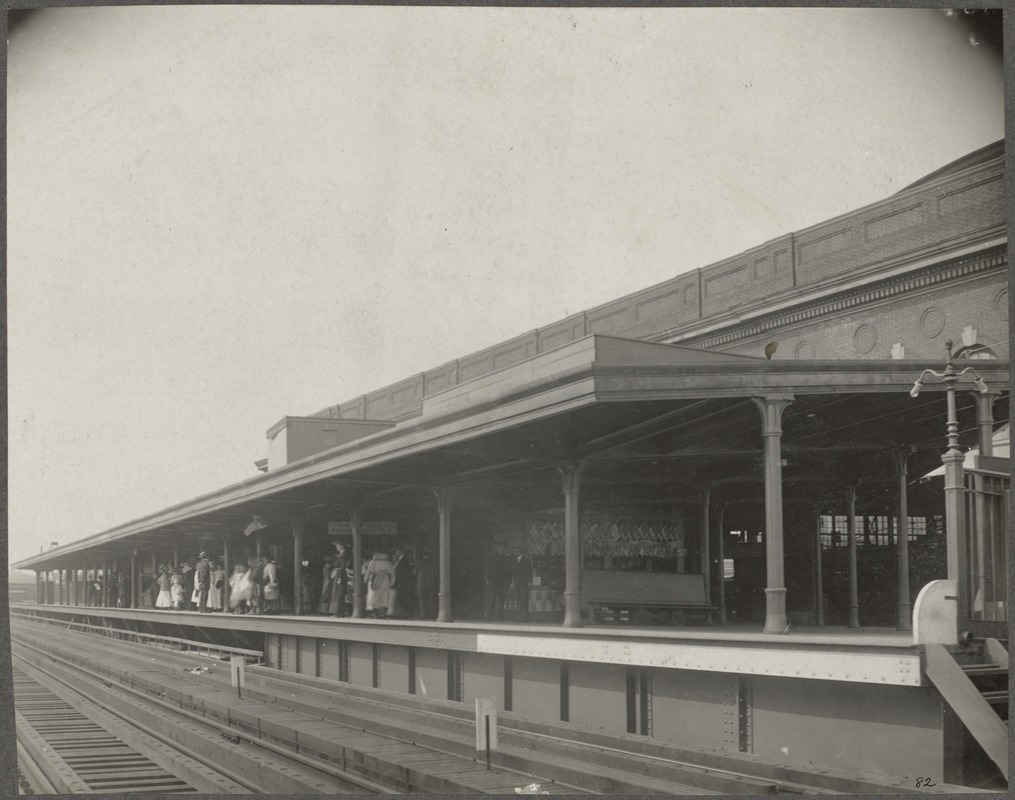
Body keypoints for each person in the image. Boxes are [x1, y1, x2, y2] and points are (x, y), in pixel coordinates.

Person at [484, 543, 513, 621]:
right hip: (494, 581)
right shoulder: (493, 557)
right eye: (501, 548)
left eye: (503, 548)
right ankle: (489, 615)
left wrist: (509, 581)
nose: (502, 550)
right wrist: (487, 579)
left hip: (503, 582)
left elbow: (509, 571)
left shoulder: (507, 558)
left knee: (502, 599)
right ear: (498, 549)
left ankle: (500, 616)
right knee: (492, 598)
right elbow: (488, 568)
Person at [364, 551, 393, 618]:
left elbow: (368, 571)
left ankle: (374, 612)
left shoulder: (373, 561)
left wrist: (365, 579)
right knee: (384, 596)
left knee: (374, 595)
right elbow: (392, 574)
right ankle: (382, 613)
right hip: (385, 580)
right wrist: (392, 582)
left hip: (375, 578)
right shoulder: (388, 563)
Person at [389, 545, 414, 619]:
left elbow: (402, 573)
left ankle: (406, 613)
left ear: (399, 552)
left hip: (402, 583)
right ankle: (404, 613)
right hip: (401, 583)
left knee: (403, 598)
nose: (395, 553)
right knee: (402, 598)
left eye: (396, 552)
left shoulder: (403, 561)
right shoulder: (401, 560)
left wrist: (397, 582)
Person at [511, 546, 533, 621]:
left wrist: (529, 582)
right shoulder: (514, 560)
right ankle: (522, 615)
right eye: (515, 551)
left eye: (517, 551)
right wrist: (512, 582)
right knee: (518, 599)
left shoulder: (525, 560)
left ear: (521, 552)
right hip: (517, 583)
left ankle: (525, 616)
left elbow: (529, 571)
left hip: (524, 583)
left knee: (524, 599)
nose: (516, 552)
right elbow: (513, 572)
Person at [330, 543, 351, 617]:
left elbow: (343, 566)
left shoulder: (343, 555)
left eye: (337, 546)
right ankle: (339, 612)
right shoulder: (341, 555)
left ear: (342, 546)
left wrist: (340, 577)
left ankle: (339, 612)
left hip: (340, 575)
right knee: (338, 594)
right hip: (338, 574)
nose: (336, 547)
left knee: (340, 594)